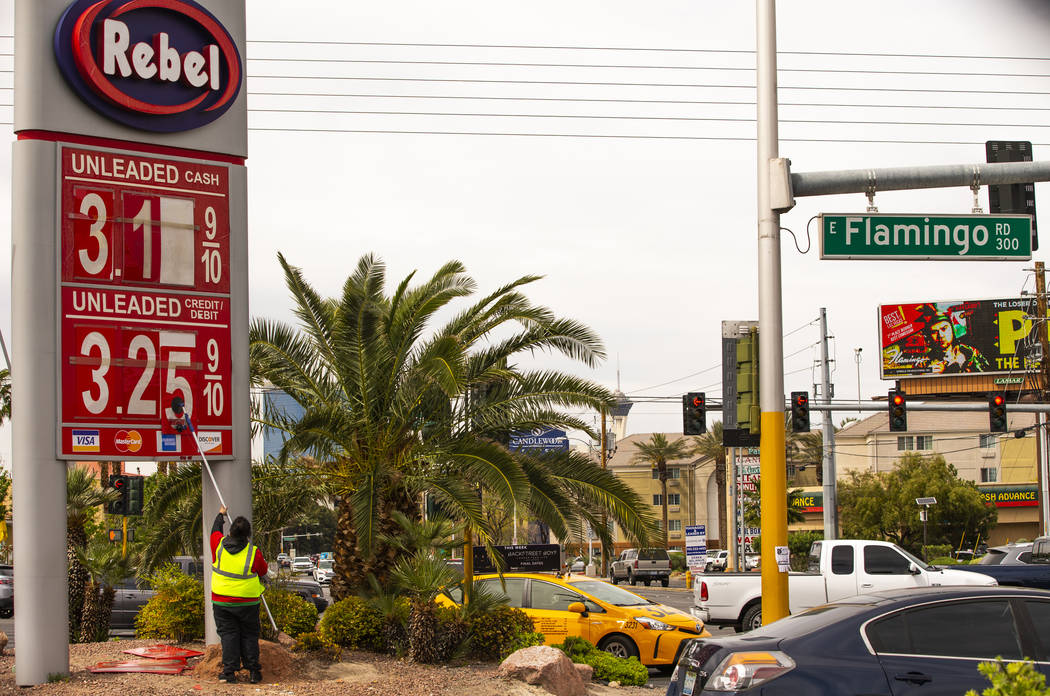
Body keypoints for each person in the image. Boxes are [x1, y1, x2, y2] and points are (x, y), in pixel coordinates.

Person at [210, 504, 268, 684]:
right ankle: (253, 672)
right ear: (248, 535)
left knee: (228, 635)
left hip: (222, 601)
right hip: (248, 602)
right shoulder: (253, 552)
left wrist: (221, 515)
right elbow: (263, 570)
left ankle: (229, 673)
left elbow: (214, 531)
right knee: (249, 635)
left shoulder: (218, 546)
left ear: (230, 532)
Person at [923, 313, 990, 374]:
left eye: (944, 329)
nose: (940, 335)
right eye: (934, 332)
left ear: (952, 329)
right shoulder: (925, 361)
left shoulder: (970, 352)